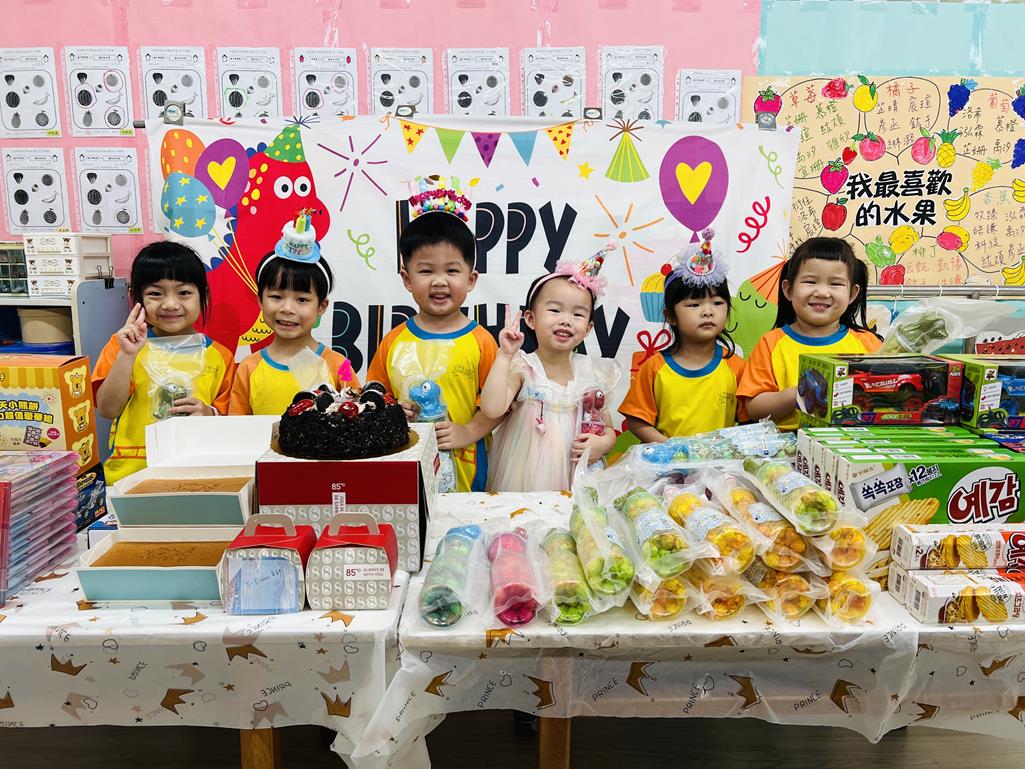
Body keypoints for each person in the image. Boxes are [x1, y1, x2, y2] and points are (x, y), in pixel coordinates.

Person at [366, 175, 500, 492]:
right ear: (407, 279)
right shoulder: (393, 341)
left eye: (452, 270)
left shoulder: (482, 341)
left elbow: (500, 405)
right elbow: (374, 396)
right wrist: (393, 412)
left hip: (467, 468)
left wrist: (469, 431)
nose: (439, 281)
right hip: (402, 463)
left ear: (471, 279)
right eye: (426, 271)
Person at [481, 244, 620, 492]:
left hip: (578, 475)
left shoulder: (592, 372)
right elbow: (492, 409)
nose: (566, 320)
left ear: (588, 328)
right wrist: (504, 356)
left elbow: (607, 427)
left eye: (578, 315)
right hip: (526, 476)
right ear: (531, 319)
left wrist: (603, 444)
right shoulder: (524, 367)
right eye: (555, 310)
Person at [94, 241, 234, 483]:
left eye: (184, 292)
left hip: (196, 473)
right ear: (136, 297)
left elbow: (231, 423)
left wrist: (209, 414)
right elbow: (107, 410)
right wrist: (127, 355)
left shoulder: (220, 356)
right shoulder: (122, 346)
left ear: (203, 295)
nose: (170, 304)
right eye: (155, 293)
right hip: (132, 474)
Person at [738, 237, 882, 430]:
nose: (822, 292)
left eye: (835, 284)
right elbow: (754, 409)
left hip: (854, 442)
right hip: (790, 444)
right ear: (788, 290)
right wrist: (800, 393)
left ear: (852, 294)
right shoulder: (771, 343)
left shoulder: (868, 343)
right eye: (810, 281)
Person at [620, 229, 745, 441]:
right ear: (671, 316)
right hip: (668, 460)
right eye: (694, 304)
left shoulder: (737, 367)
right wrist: (670, 448)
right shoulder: (654, 368)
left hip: (720, 462)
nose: (708, 311)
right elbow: (637, 420)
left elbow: (749, 422)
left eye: (717, 303)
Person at [230, 213, 358, 415]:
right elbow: (236, 428)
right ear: (260, 300)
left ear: (321, 306)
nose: (287, 308)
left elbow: (356, 417)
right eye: (276, 296)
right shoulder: (248, 368)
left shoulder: (340, 366)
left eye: (302, 299)